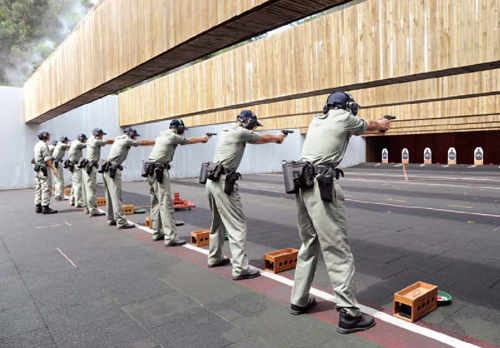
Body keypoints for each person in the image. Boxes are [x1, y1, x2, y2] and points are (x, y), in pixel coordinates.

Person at [289, 92, 390, 334]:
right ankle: (349, 314)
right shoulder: (344, 117)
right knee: (337, 248)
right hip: (320, 186)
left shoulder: (317, 119)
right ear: (347, 106)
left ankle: (299, 299)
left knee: (309, 243)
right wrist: (382, 124)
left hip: (301, 183)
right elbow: (372, 125)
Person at [206, 110, 286, 281]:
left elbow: (255, 138)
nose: (254, 129)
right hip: (223, 182)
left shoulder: (227, 130)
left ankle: (215, 257)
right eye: (253, 125)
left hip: (211, 180)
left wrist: (275, 138)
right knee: (237, 225)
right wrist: (278, 137)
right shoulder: (240, 132)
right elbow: (262, 138)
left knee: (217, 222)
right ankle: (241, 268)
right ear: (248, 122)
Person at [146, 120, 211, 246]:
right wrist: (203, 138)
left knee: (155, 203)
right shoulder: (171, 136)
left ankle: (157, 232)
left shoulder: (163, 134)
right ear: (178, 128)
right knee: (166, 204)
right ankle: (170, 238)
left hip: (151, 170)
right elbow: (188, 140)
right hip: (159, 171)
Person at [102, 127, 154, 229]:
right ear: (130, 134)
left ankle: (111, 218)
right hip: (113, 170)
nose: (135, 138)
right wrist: (157, 142)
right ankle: (121, 221)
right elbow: (141, 143)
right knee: (116, 196)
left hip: (107, 169)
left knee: (109, 196)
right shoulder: (126, 140)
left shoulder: (119, 139)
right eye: (134, 136)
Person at [83, 128, 113, 217]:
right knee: (91, 189)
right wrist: (119, 140)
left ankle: (87, 208)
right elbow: (107, 142)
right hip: (91, 167)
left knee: (87, 189)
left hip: (88, 166)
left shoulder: (89, 140)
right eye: (101, 135)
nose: (102, 136)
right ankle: (93, 210)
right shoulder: (95, 141)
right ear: (97, 135)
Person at [33, 130, 58, 214]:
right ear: (45, 136)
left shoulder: (37, 144)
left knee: (38, 187)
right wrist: (54, 169)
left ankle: (38, 206)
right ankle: (45, 207)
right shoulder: (44, 145)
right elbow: (47, 160)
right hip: (44, 169)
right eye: (48, 135)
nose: (49, 136)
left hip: (37, 168)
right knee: (46, 187)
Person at [67, 133, 88, 208]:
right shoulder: (78, 144)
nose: (85, 141)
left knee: (74, 184)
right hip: (75, 166)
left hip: (72, 166)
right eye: (84, 139)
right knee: (78, 185)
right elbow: (87, 144)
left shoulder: (75, 142)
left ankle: (72, 200)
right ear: (81, 139)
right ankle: (78, 202)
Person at [53, 136, 70, 201]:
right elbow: (69, 146)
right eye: (67, 141)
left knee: (57, 180)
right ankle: (60, 196)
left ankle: (57, 195)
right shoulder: (62, 145)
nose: (67, 142)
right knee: (60, 180)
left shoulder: (59, 144)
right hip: (57, 162)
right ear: (64, 141)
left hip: (55, 162)